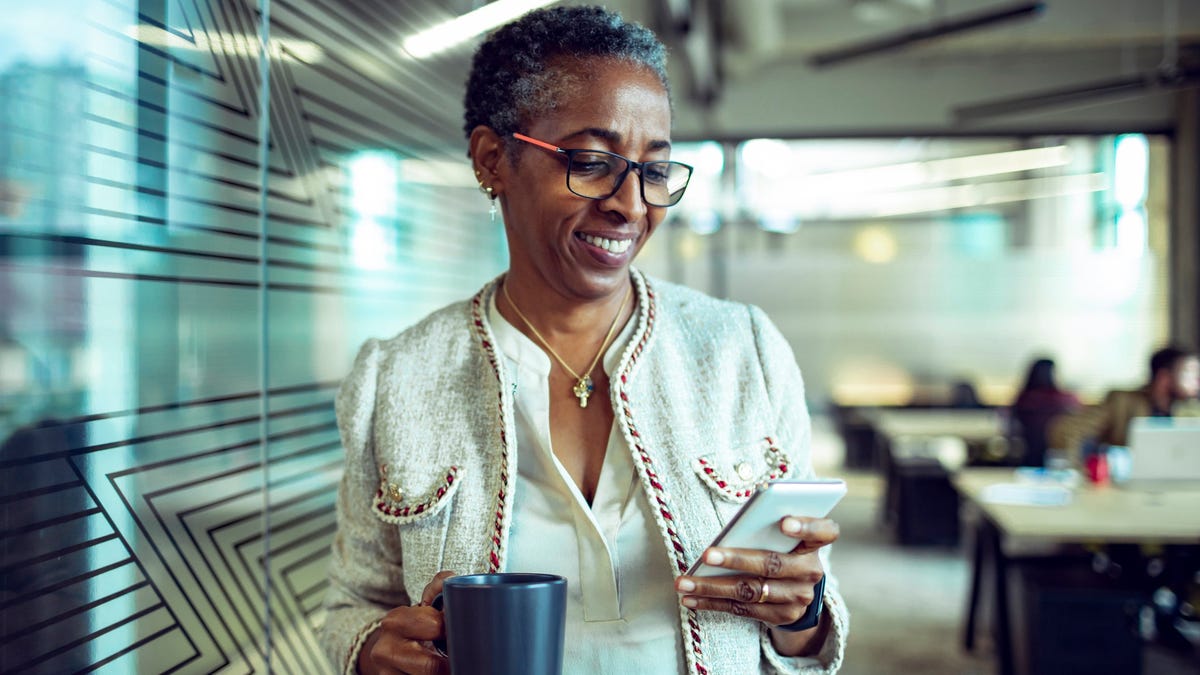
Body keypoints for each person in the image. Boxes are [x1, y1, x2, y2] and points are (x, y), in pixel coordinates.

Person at [318, 6, 848, 675]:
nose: (631, 203)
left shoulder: (743, 352)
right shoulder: (396, 378)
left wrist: (802, 615)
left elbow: (808, 626)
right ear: (493, 160)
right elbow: (351, 605)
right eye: (593, 162)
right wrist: (370, 649)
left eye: (654, 170)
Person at [1048, 344, 1200, 459]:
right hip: (1126, 491)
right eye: (1189, 374)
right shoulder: (1121, 402)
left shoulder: (1193, 412)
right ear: (1164, 377)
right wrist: (1079, 471)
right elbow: (1066, 430)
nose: (1197, 382)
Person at [1008, 357, 1081, 467]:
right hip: (1060, 459)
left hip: (1027, 457)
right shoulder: (1065, 399)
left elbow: (1011, 428)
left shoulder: (1022, 399)